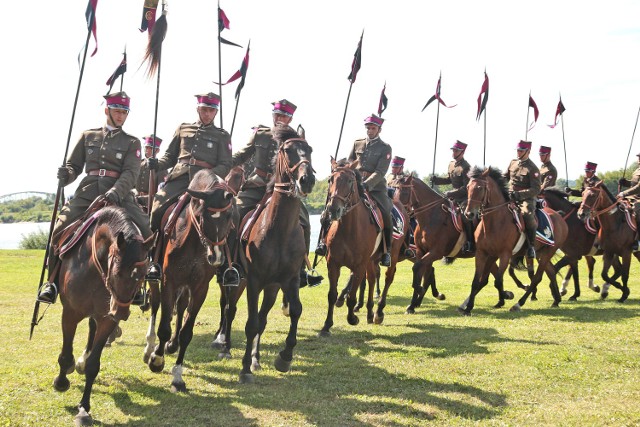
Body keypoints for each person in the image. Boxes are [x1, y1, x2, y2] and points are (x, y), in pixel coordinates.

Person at [38, 92, 153, 304]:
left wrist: (116, 192)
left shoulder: (132, 142)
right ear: (107, 110)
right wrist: (67, 175)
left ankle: (139, 286)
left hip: (120, 193)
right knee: (58, 229)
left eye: (124, 112)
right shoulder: (88, 136)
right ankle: (51, 284)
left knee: (145, 230)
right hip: (88, 191)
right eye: (117, 111)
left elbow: (131, 173)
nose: (121, 116)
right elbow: (74, 166)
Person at [231, 99, 322, 287]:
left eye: (284, 116)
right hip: (258, 185)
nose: (279, 119)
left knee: (304, 220)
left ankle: (301, 270)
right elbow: (242, 155)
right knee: (235, 213)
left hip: (284, 191)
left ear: (290, 119)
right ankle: (232, 264)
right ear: (273, 115)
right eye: (277, 115)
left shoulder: (296, 139)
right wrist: (225, 163)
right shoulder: (261, 134)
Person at [148, 92, 232, 277]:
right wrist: (158, 164)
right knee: (156, 209)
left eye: (211, 110)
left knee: (231, 215)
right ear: (198, 109)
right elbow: (169, 157)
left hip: (207, 185)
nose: (207, 113)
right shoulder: (183, 128)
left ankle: (228, 265)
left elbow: (226, 164)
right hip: (180, 179)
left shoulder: (222, 136)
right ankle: (151, 258)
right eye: (204, 109)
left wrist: (208, 178)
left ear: (216, 113)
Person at [317, 114, 393, 266]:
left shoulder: (385, 148)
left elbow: (380, 171)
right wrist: (339, 168)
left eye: (373, 128)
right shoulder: (357, 143)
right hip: (353, 184)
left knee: (386, 213)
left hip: (375, 188)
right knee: (329, 208)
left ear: (379, 129)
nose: (370, 131)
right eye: (368, 128)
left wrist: (366, 184)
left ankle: (386, 252)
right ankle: (322, 243)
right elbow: (349, 162)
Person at [430, 140, 475, 252]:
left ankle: (470, 242)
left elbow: (466, 188)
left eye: (456, 151)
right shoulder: (451, 164)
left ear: (462, 152)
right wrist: (436, 180)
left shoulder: (466, 167)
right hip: (452, 197)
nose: (454, 152)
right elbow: (448, 179)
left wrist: (451, 193)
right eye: (453, 150)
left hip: (463, 198)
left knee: (465, 216)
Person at [503, 140, 541, 259]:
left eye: (521, 151)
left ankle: (531, 247)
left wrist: (518, 195)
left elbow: (536, 189)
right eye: (518, 150)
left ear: (528, 152)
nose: (518, 153)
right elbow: (505, 177)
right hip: (509, 195)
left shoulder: (533, 168)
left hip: (526, 199)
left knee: (527, 214)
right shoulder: (513, 163)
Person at [135, 134, 168, 210]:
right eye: (146, 147)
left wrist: (146, 198)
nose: (147, 149)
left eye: (150, 148)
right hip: (135, 199)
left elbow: (162, 190)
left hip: (151, 202)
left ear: (157, 150)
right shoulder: (138, 164)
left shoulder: (161, 167)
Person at [617, 152, 640, 249]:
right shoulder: (637, 170)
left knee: (636, 210)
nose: (638, 159)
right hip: (633, 198)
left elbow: (639, 187)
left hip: (638, 200)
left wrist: (624, 193)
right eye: (638, 157)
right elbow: (634, 184)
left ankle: (638, 239)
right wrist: (626, 182)